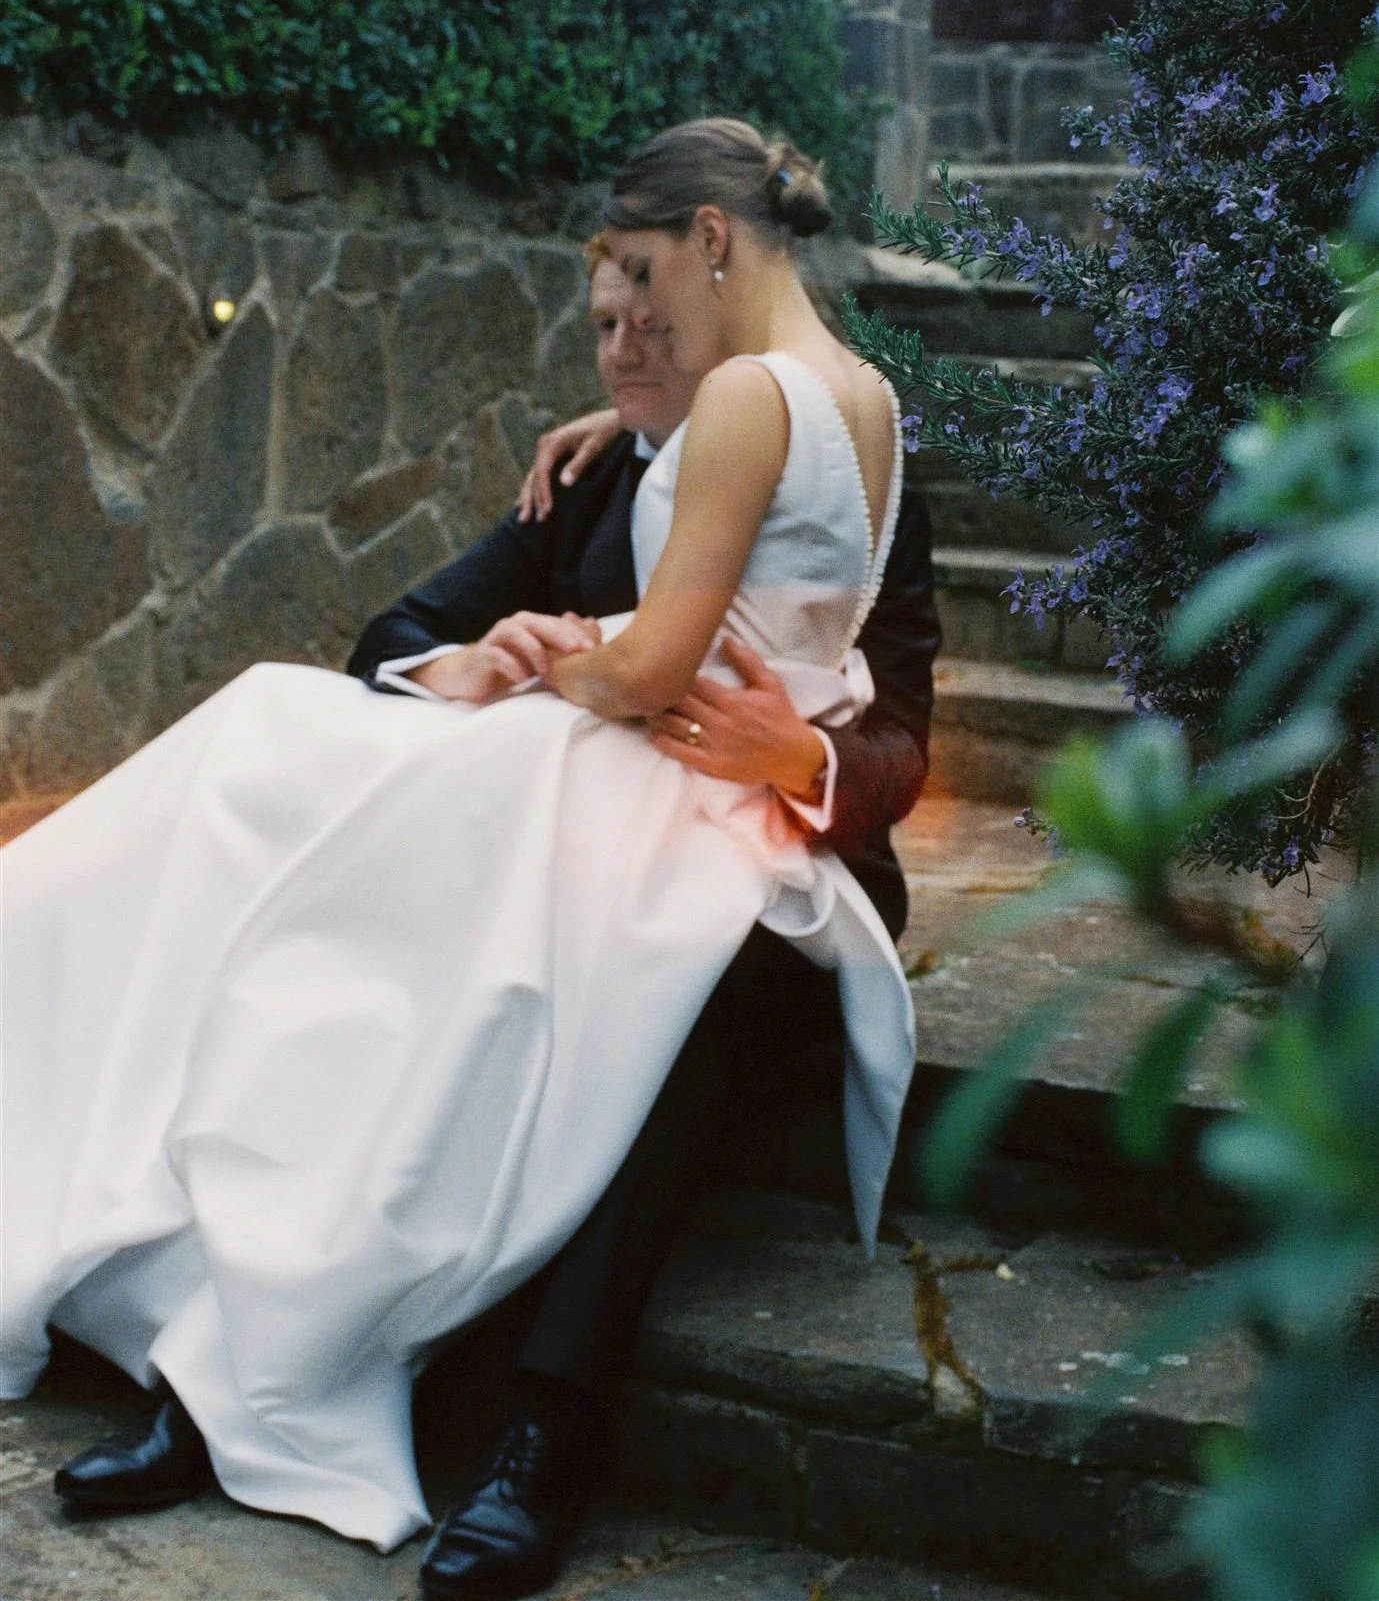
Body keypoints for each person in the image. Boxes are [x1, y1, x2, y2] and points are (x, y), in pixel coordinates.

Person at [1, 118, 920, 1593]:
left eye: (643, 287)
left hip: (703, 803)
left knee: (354, 894)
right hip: (658, 787)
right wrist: (596, 517)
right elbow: (733, 599)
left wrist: (576, 661)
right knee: (325, 861)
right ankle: (223, 1362)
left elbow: (667, 667)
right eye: (605, 318)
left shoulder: (751, 394)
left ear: (705, 238)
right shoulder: (862, 398)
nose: (633, 335)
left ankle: (337, 1388)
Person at [343, 251, 939, 1597]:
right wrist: (468, 661)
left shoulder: (846, 468)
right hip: (573, 860)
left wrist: (801, 758)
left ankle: (543, 1425)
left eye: (648, 321)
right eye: (601, 328)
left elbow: (904, 722)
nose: (619, 352)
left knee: (678, 976)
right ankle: (274, 1342)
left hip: (776, 894)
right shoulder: (593, 479)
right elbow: (393, 631)